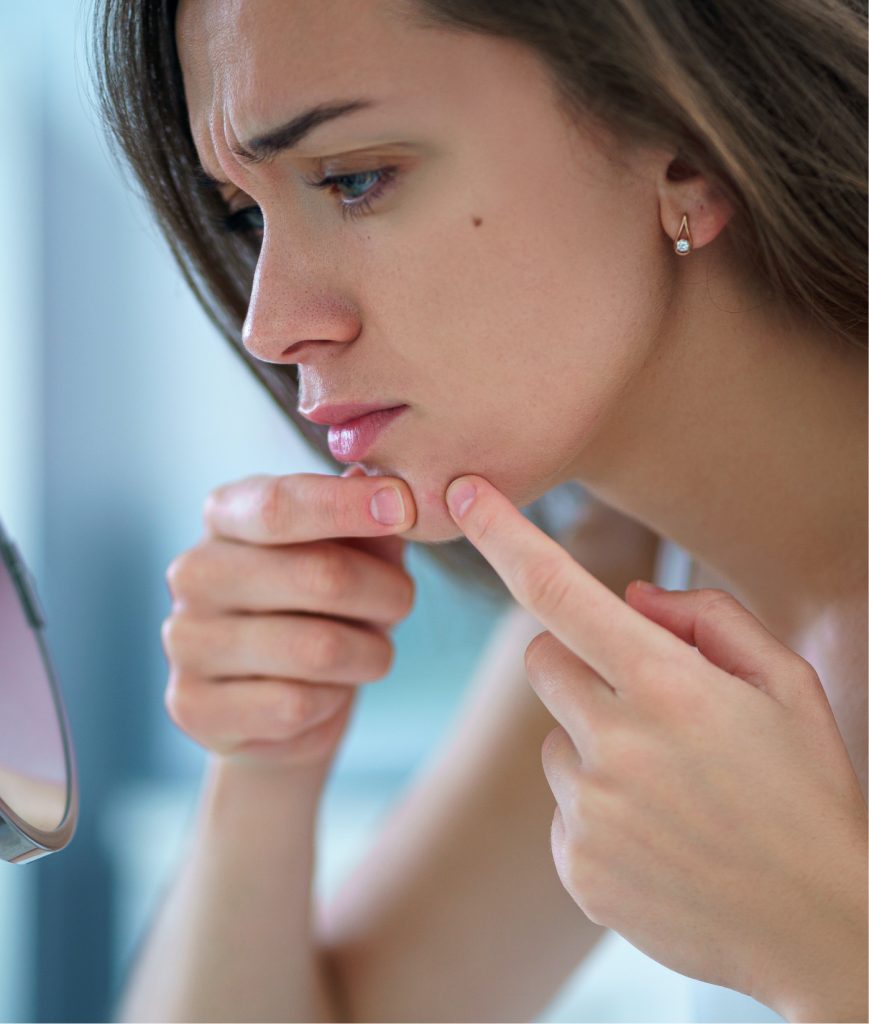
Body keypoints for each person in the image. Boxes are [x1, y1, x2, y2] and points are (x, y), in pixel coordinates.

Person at [89, 1, 868, 1021]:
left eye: (353, 178)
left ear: (682, 144)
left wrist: (821, 946)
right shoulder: (629, 601)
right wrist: (261, 770)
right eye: (245, 214)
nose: (270, 324)